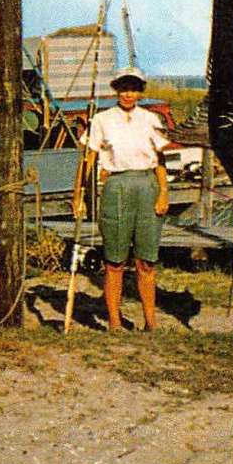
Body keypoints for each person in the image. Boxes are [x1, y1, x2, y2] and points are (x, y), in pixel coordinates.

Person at [72, 66, 170, 331]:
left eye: (134, 89)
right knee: (115, 262)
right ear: (116, 89)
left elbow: (160, 160)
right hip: (116, 187)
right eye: (124, 88)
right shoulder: (102, 120)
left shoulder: (151, 119)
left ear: (140, 92)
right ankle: (114, 322)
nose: (129, 94)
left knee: (146, 261)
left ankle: (151, 322)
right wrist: (77, 195)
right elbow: (88, 160)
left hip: (147, 185)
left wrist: (163, 193)